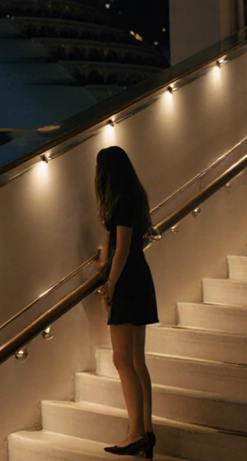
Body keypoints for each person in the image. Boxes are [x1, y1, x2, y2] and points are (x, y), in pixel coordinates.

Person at [96, 146, 159, 458]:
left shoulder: (120, 202)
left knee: (122, 361)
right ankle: (145, 430)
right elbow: (119, 245)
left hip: (128, 281)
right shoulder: (133, 198)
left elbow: (121, 250)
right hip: (138, 278)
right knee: (136, 360)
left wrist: (109, 283)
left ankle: (135, 433)